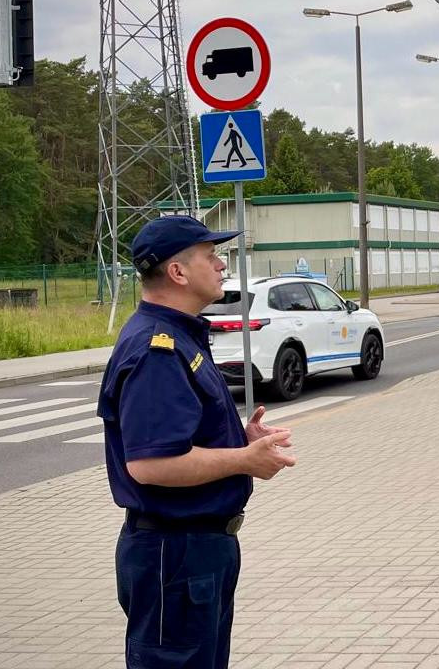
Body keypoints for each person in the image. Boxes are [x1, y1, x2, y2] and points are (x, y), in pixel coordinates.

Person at [97, 215, 297, 669]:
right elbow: (152, 465)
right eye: (211, 256)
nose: (223, 265)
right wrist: (244, 459)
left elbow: (182, 437)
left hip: (194, 551)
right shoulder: (157, 350)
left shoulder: (179, 336)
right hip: (176, 554)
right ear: (178, 272)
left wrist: (238, 442)